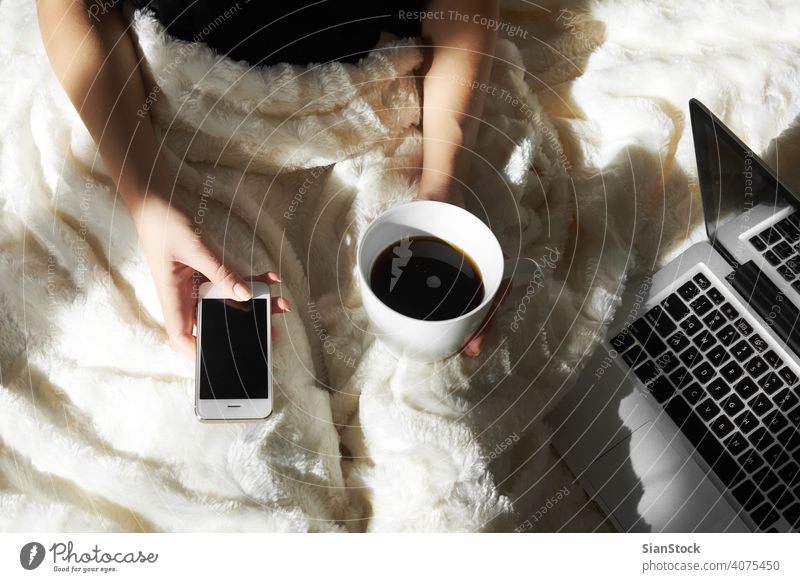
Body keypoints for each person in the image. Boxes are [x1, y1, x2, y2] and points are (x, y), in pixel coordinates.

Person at [36, 0, 504, 359]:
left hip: (386, 108)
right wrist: (148, 198)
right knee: (249, 424)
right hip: (165, 126)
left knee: (429, 381)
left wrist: (443, 186)